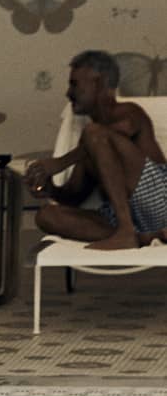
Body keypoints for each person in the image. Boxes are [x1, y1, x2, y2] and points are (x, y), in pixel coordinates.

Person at [25, 50, 167, 251]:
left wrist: (60, 162)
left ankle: (126, 232)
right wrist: (51, 189)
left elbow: (114, 131)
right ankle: (142, 236)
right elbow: (75, 196)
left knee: (94, 133)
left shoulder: (130, 113)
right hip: (127, 217)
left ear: (98, 83)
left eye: (74, 84)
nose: (68, 93)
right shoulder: (90, 142)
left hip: (161, 201)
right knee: (46, 215)